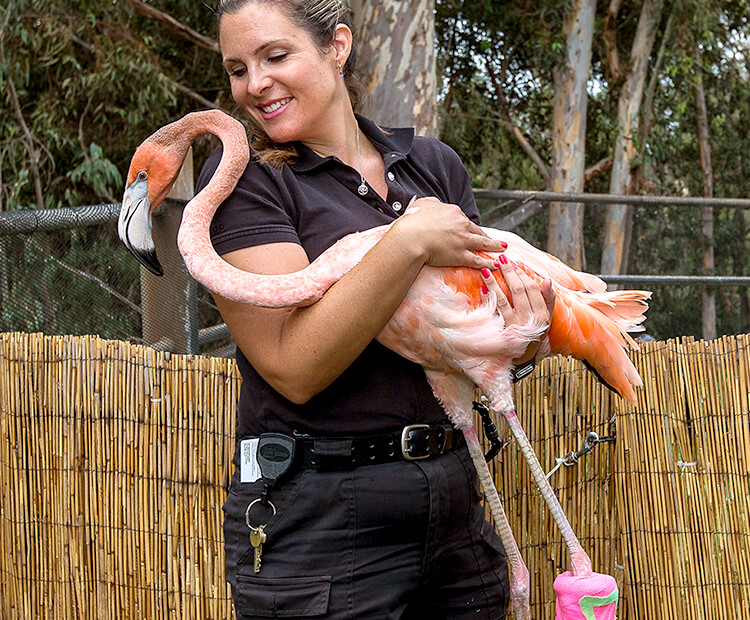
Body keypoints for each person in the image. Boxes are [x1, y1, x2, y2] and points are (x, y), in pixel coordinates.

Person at [197, 1, 555, 617]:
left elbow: (468, 346)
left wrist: (523, 335)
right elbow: (293, 365)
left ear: (337, 47)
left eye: (276, 56)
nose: (254, 85)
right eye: (237, 68)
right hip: (320, 511)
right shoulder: (245, 181)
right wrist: (408, 242)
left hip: (454, 492)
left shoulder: (433, 166)